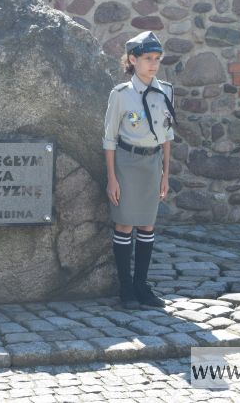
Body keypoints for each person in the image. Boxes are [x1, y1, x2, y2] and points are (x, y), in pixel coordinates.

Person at [102, 31, 175, 310]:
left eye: (157, 59)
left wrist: (166, 173)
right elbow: (109, 137)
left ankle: (143, 286)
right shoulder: (121, 95)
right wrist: (111, 178)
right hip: (126, 163)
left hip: (152, 163)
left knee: (147, 225)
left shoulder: (166, 90)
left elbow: (168, 135)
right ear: (133, 59)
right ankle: (126, 288)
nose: (153, 64)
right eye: (147, 59)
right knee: (125, 224)